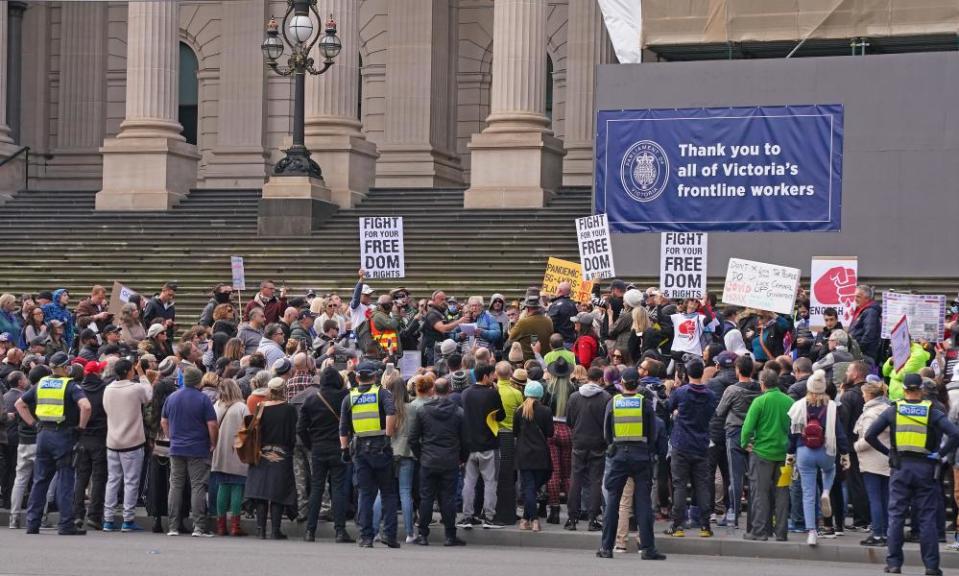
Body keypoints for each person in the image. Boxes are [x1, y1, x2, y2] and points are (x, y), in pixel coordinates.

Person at [866, 373, 959, 576]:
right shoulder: (931, 411)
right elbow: (954, 434)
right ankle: (931, 567)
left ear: (905, 389)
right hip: (926, 468)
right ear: (921, 390)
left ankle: (894, 564)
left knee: (896, 516)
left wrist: (889, 453)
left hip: (900, 467)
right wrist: (939, 454)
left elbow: (869, 435)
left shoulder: (894, 410)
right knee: (927, 518)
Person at [14, 352, 92, 535]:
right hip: (63, 435)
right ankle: (66, 524)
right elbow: (86, 406)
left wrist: (34, 424)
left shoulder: (41, 383)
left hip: (43, 435)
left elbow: (19, 404)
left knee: (40, 480)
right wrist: (81, 428)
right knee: (65, 480)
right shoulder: (70, 385)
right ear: (65, 368)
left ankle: (32, 524)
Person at [596, 362, 666, 560]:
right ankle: (648, 549)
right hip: (641, 456)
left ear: (623, 383)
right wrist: (647, 449)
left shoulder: (613, 402)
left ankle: (606, 548)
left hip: (618, 456)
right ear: (638, 383)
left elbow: (606, 432)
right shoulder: (644, 403)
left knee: (612, 502)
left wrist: (613, 446)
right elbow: (652, 432)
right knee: (643, 504)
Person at [339, 361, 400, 548]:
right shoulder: (382, 393)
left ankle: (366, 537)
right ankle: (389, 535)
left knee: (365, 494)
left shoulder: (349, 397)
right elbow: (391, 413)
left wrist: (344, 450)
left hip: (359, 450)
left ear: (357, 377)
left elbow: (343, 427)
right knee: (388, 493)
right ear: (374, 376)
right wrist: (388, 436)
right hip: (381, 447)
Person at [786, 369, 850, 547]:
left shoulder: (799, 405)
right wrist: (844, 453)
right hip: (826, 450)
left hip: (804, 451)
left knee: (807, 493)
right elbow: (840, 433)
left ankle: (811, 532)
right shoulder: (831, 407)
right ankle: (826, 491)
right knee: (829, 471)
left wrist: (790, 453)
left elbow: (792, 432)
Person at [161, 366, 219, 537]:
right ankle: (199, 526)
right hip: (198, 447)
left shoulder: (172, 397)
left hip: (176, 447)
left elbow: (164, 421)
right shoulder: (203, 399)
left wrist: (171, 437)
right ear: (198, 381)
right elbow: (212, 424)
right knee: (198, 486)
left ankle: (173, 526)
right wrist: (213, 442)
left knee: (176, 486)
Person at [409, 377, 467, 547]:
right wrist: (461, 458)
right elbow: (465, 440)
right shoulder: (458, 412)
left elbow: (413, 438)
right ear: (449, 390)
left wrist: (421, 455)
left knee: (426, 498)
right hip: (449, 460)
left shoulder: (423, 411)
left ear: (434, 390)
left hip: (428, 460)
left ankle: (423, 535)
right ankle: (450, 536)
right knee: (448, 498)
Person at [299, 365, 354, 543]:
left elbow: (300, 429)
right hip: (339, 446)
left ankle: (310, 531)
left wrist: (311, 444)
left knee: (317, 489)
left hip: (318, 449)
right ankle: (340, 531)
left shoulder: (311, 400)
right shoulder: (345, 397)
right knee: (338, 488)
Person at [665, 358, 717, 538]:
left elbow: (668, 407)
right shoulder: (710, 395)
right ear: (702, 373)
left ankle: (677, 525)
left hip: (681, 443)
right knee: (702, 485)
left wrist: (676, 413)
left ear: (687, 374)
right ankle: (705, 525)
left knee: (679, 484)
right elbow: (712, 413)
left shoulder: (681, 392)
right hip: (701, 443)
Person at [740, 368, 793, 542]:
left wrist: (744, 443)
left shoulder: (759, 401)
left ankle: (759, 531)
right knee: (783, 493)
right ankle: (781, 532)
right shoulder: (789, 401)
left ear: (762, 383)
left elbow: (747, 428)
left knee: (760, 493)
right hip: (785, 456)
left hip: (762, 453)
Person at [101, 358, 153, 532]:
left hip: (112, 440)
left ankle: (108, 519)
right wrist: (142, 375)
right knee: (131, 481)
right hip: (132, 441)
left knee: (113, 480)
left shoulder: (108, 389)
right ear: (129, 371)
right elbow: (148, 395)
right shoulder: (135, 388)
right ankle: (128, 519)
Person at [245, 377, 298, 540]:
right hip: (282, 452)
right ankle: (275, 530)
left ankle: (261, 529)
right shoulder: (289, 409)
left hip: (261, 452)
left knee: (261, 491)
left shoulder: (261, 407)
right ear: (284, 390)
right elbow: (291, 435)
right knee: (278, 492)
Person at [457, 363, 506, 530]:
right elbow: (501, 415)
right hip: (488, 444)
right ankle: (489, 517)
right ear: (485, 376)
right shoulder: (492, 394)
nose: (494, 377)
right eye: (492, 374)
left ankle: (467, 516)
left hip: (469, 445)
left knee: (469, 482)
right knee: (490, 482)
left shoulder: (465, 393)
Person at [714, 354, 760, 528]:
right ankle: (756, 513)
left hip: (734, 432)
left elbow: (720, 411)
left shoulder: (732, 390)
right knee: (755, 475)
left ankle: (733, 512)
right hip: (755, 435)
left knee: (736, 476)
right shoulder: (759, 389)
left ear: (737, 370)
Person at [72, 359, 109, 531]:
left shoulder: (79, 390)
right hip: (100, 437)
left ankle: (77, 514)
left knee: (81, 477)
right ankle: (94, 515)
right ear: (96, 373)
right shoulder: (105, 390)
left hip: (83, 436)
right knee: (99, 478)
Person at [853, 380, 890, 547]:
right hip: (886, 459)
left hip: (872, 461)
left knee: (875, 499)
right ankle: (887, 532)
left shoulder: (870, 413)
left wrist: (856, 446)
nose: (862, 396)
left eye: (863, 394)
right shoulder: (887, 409)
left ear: (869, 395)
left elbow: (867, 438)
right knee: (885, 499)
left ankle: (877, 534)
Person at [210, 378, 249, 537]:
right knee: (237, 487)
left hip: (219, 451)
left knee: (222, 486)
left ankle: (221, 526)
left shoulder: (216, 406)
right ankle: (235, 526)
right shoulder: (242, 407)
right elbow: (250, 428)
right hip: (237, 451)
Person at [513, 380, 554, 532]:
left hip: (524, 454)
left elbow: (514, 432)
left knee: (529, 488)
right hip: (541, 455)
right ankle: (534, 519)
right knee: (532, 487)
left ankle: (526, 518)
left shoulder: (519, 411)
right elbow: (550, 433)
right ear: (540, 395)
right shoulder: (546, 411)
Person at [544, 357, 576, 525]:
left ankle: (554, 510)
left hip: (551, 429)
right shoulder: (573, 388)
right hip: (568, 430)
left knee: (554, 473)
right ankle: (571, 513)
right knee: (568, 474)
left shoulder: (548, 388)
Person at [508, 287, 554, 361]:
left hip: (529, 363)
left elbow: (511, 338)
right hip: (546, 362)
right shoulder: (548, 321)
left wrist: (517, 320)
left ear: (527, 308)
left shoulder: (523, 322)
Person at [848, 284, 882, 366]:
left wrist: (858, 350)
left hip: (864, 356)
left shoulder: (870, 312)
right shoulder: (864, 311)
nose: (855, 299)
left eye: (858, 297)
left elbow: (869, 334)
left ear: (867, 298)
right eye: (855, 296)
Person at [548, 282, 579, 347]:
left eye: (556, 289)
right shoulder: (573, 305)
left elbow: (550, 324)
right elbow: (575, 321)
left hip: (559, 342)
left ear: (559, 291)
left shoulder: (555, 305)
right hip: (572, 341)